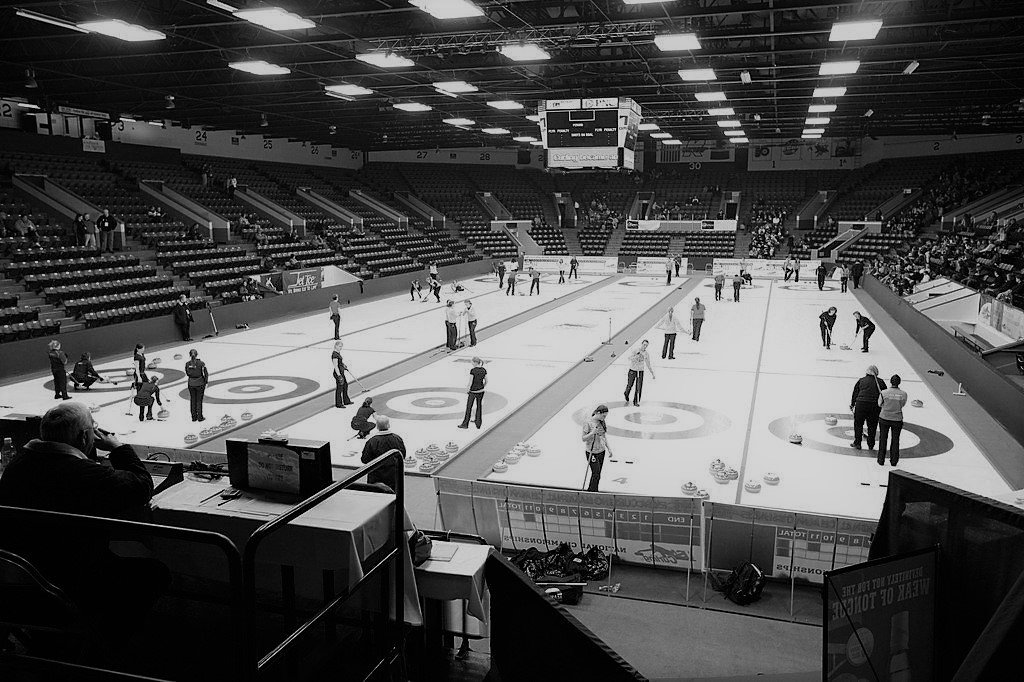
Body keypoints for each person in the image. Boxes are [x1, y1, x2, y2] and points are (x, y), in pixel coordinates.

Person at [0, 402, 167, 656]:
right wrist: (119, 448)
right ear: (84, 437)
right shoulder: (83, 476)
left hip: (20, 588)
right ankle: (103, 651)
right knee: (153, 573)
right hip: (68, 585)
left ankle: (56, 642)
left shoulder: (17, 466)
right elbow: (141, 485)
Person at [360, 415, 405, 492]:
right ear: (388, 425)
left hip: (376, 477)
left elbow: (365, 459)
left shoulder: (372, 441)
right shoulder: (397, 439)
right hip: (394, 475)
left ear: (377, 426)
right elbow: (402, 455)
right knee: (394, 498)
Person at [850, 365, 886, 451]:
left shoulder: (861, 380)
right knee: (872, 426)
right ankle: (871, 444)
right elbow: (884, 394)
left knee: (858, 424)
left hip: (861, 404)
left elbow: (855, 393)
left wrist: (852, 404)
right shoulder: (880, 382)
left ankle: (857, 443)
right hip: (874, 406)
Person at [877, 374, 908, 466]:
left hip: (884, 418)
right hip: (897, 419)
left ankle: (881, 460)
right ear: (899, 383)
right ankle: (894, 461)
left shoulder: (884, 393)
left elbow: (879, 404)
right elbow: (902, 404)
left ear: (890, 382)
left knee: (883, 439)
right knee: (895, 440)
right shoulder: (903, 394)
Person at [581, 404, 610, 492]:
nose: (604, 418)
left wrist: (609, 448)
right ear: (598, 413)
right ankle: (591, 491)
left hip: (601, 451)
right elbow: (583, 438)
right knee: (596, 473)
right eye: (603, 416)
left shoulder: (601, 422)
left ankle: (594, 490)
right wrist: (592, 433)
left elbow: (604, 436)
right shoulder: (588, 423)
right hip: (591, 452)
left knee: (598, 474)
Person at [457, 356, 487, 429]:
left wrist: (468, 389)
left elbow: (470, 382)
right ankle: (478, 422)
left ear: (474, 362)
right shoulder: (483, 370)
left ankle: (465, 424)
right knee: (479, 406)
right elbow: (486, 381)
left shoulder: (473, 371)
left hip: (473, 391)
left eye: (472, 362)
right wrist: (482, 386)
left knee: (469, 407)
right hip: (481, 391)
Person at [624, 340, 655, 406]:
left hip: (640, 371)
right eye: (644, 344)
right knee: (630, 385)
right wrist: (636, 357)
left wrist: (652, 372)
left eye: (646, 345)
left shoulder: (646, 354)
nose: (645, 346)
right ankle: (626, 393)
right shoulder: (636, 350)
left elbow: (648, 363)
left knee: (639, 387)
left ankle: (636, 401)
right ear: (641, 344)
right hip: (632, 370)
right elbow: (629, 358)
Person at [185, 349, 208, 422]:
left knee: (193, 400)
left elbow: (187, 373)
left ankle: (193, 417)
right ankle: (200, 417)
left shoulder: (187, 364)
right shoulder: (201, 363)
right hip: (200, 383)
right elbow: (205, 373)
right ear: (197, 354)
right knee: (199, 401)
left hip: (191, 383)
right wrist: (206, 382)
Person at [331, 341, 353, 408]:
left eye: (341, 347)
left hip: (341, 372)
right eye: (339, 346)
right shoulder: (334, 354)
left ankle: (346, 401)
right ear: (336, 346)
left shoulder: (338, 353)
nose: (340, 348)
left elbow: (340, 362)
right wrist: (339, 376)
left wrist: (343, 365)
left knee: (345, 385)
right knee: (339, 388)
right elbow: (335, 366)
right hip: (338, 373)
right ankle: (338, 403)